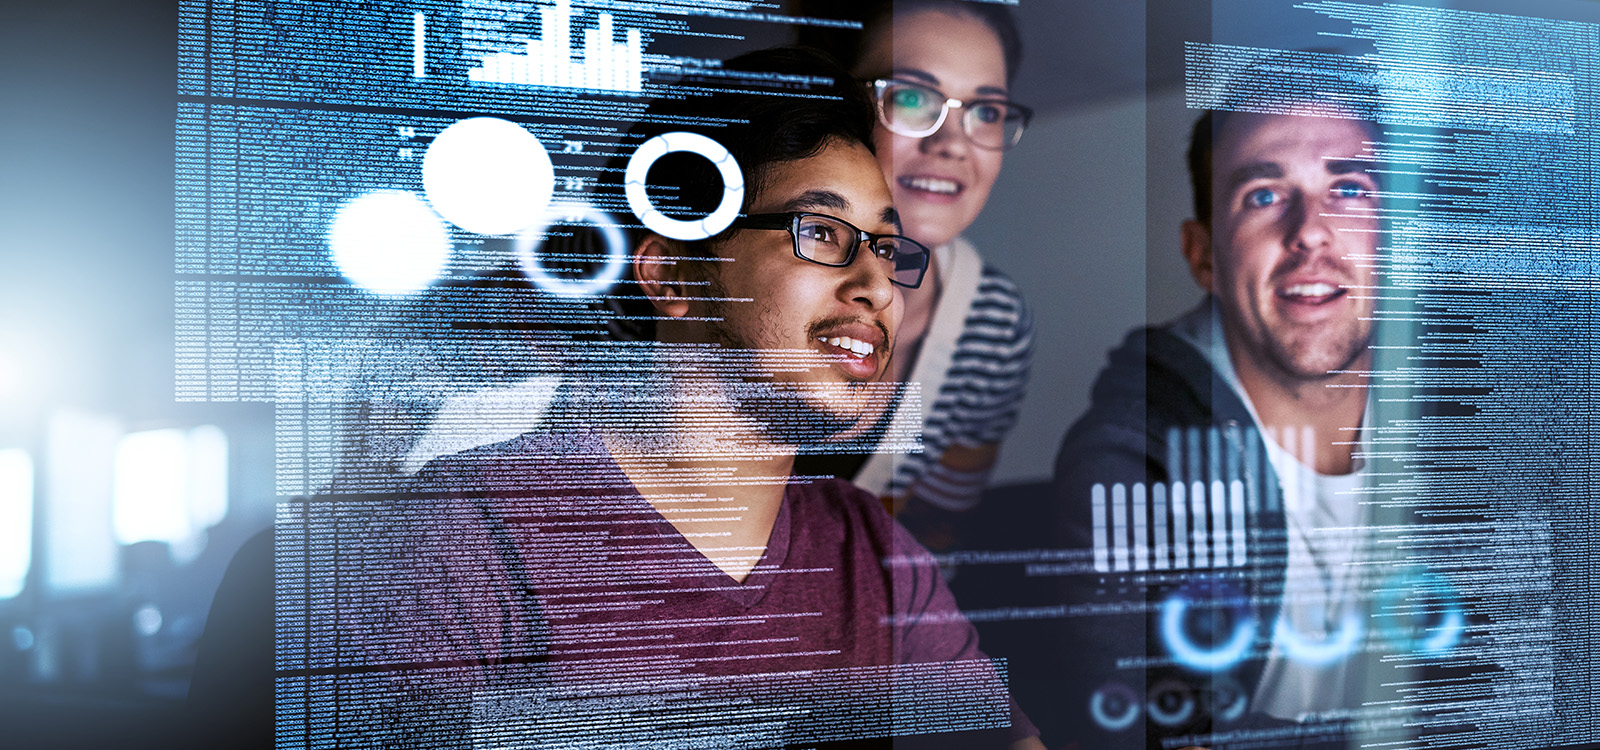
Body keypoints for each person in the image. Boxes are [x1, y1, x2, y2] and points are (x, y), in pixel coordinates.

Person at [295, 48, 1046, 749]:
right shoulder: (457, 541)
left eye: (886, 247)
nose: (878, 284)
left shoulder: (875, 555)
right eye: (820, 231)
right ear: (675, 276)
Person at [1050, 67, 1384, 747]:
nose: (1310, 233)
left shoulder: (1492, 424)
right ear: (1202, 256)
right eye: (1264, 195)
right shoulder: (1129, 460)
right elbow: (1143, 731)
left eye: (1348, 190)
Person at [792, 0, 1035, 544]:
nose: (951, 144)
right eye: (909, 97)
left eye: (987, 111)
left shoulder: (992, 325)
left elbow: (935, 529)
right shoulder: (707, 264)